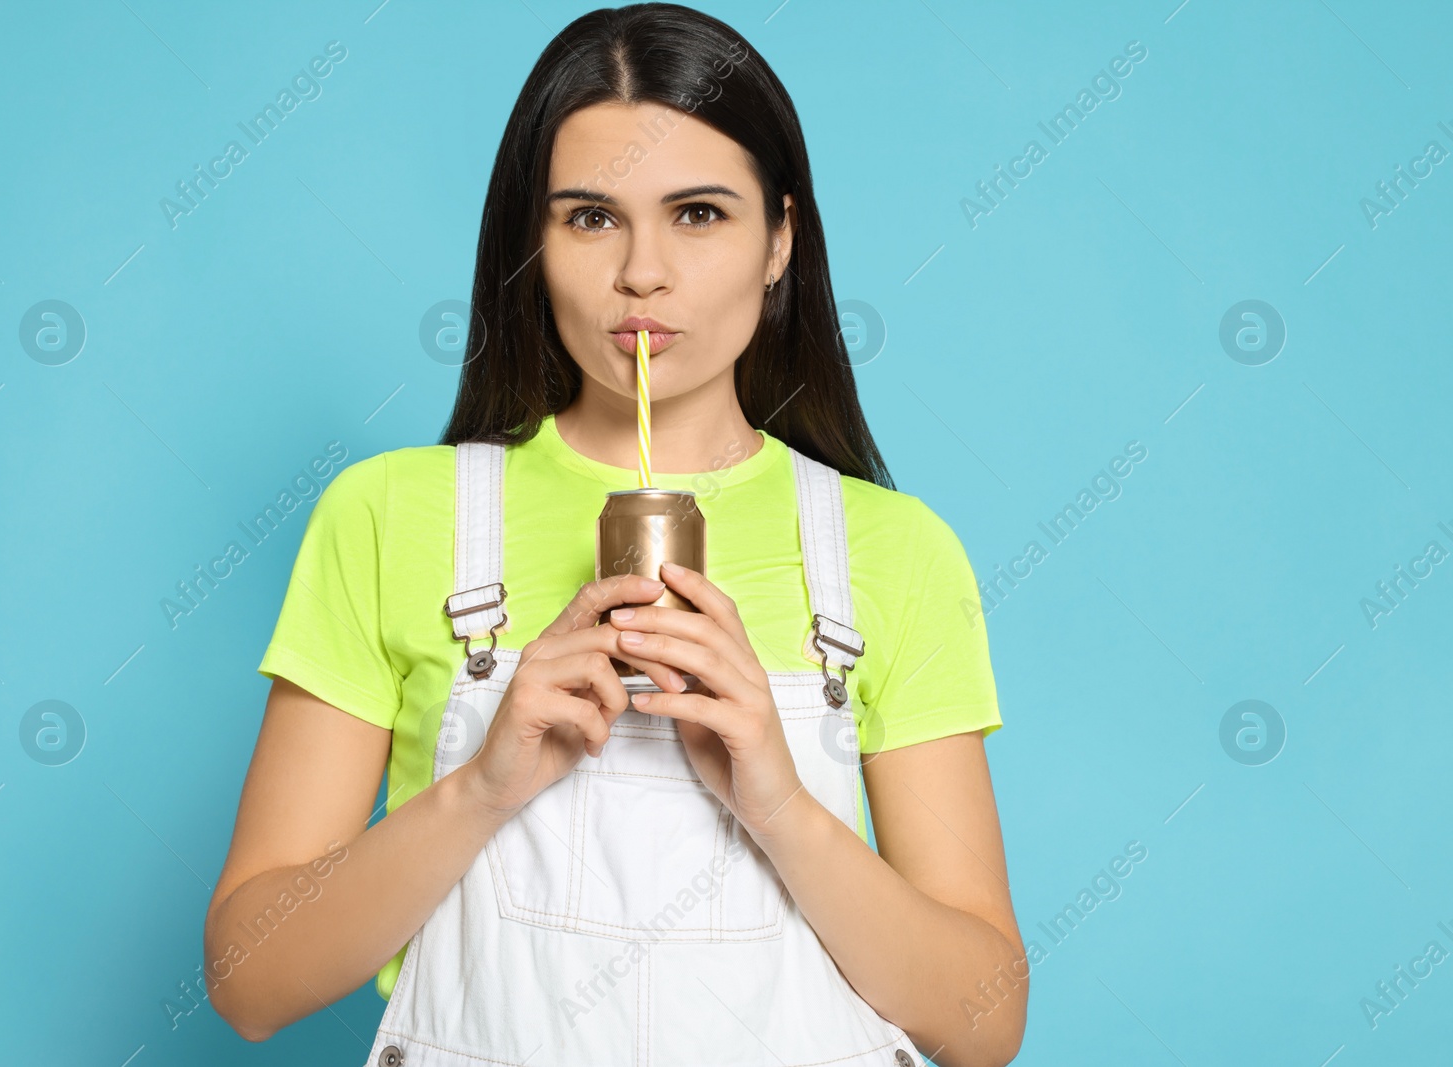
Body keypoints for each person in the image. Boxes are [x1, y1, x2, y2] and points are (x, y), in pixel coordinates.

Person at [204, 4, 1027, 1064]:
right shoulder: (388, 516)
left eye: (698, 213)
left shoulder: (895, 551)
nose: (643, 272)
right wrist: (485, 783)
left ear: (780, 238)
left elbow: (982, 1020)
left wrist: (779, 803)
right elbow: (248, 982)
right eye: (590, 217)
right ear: (530, 246)